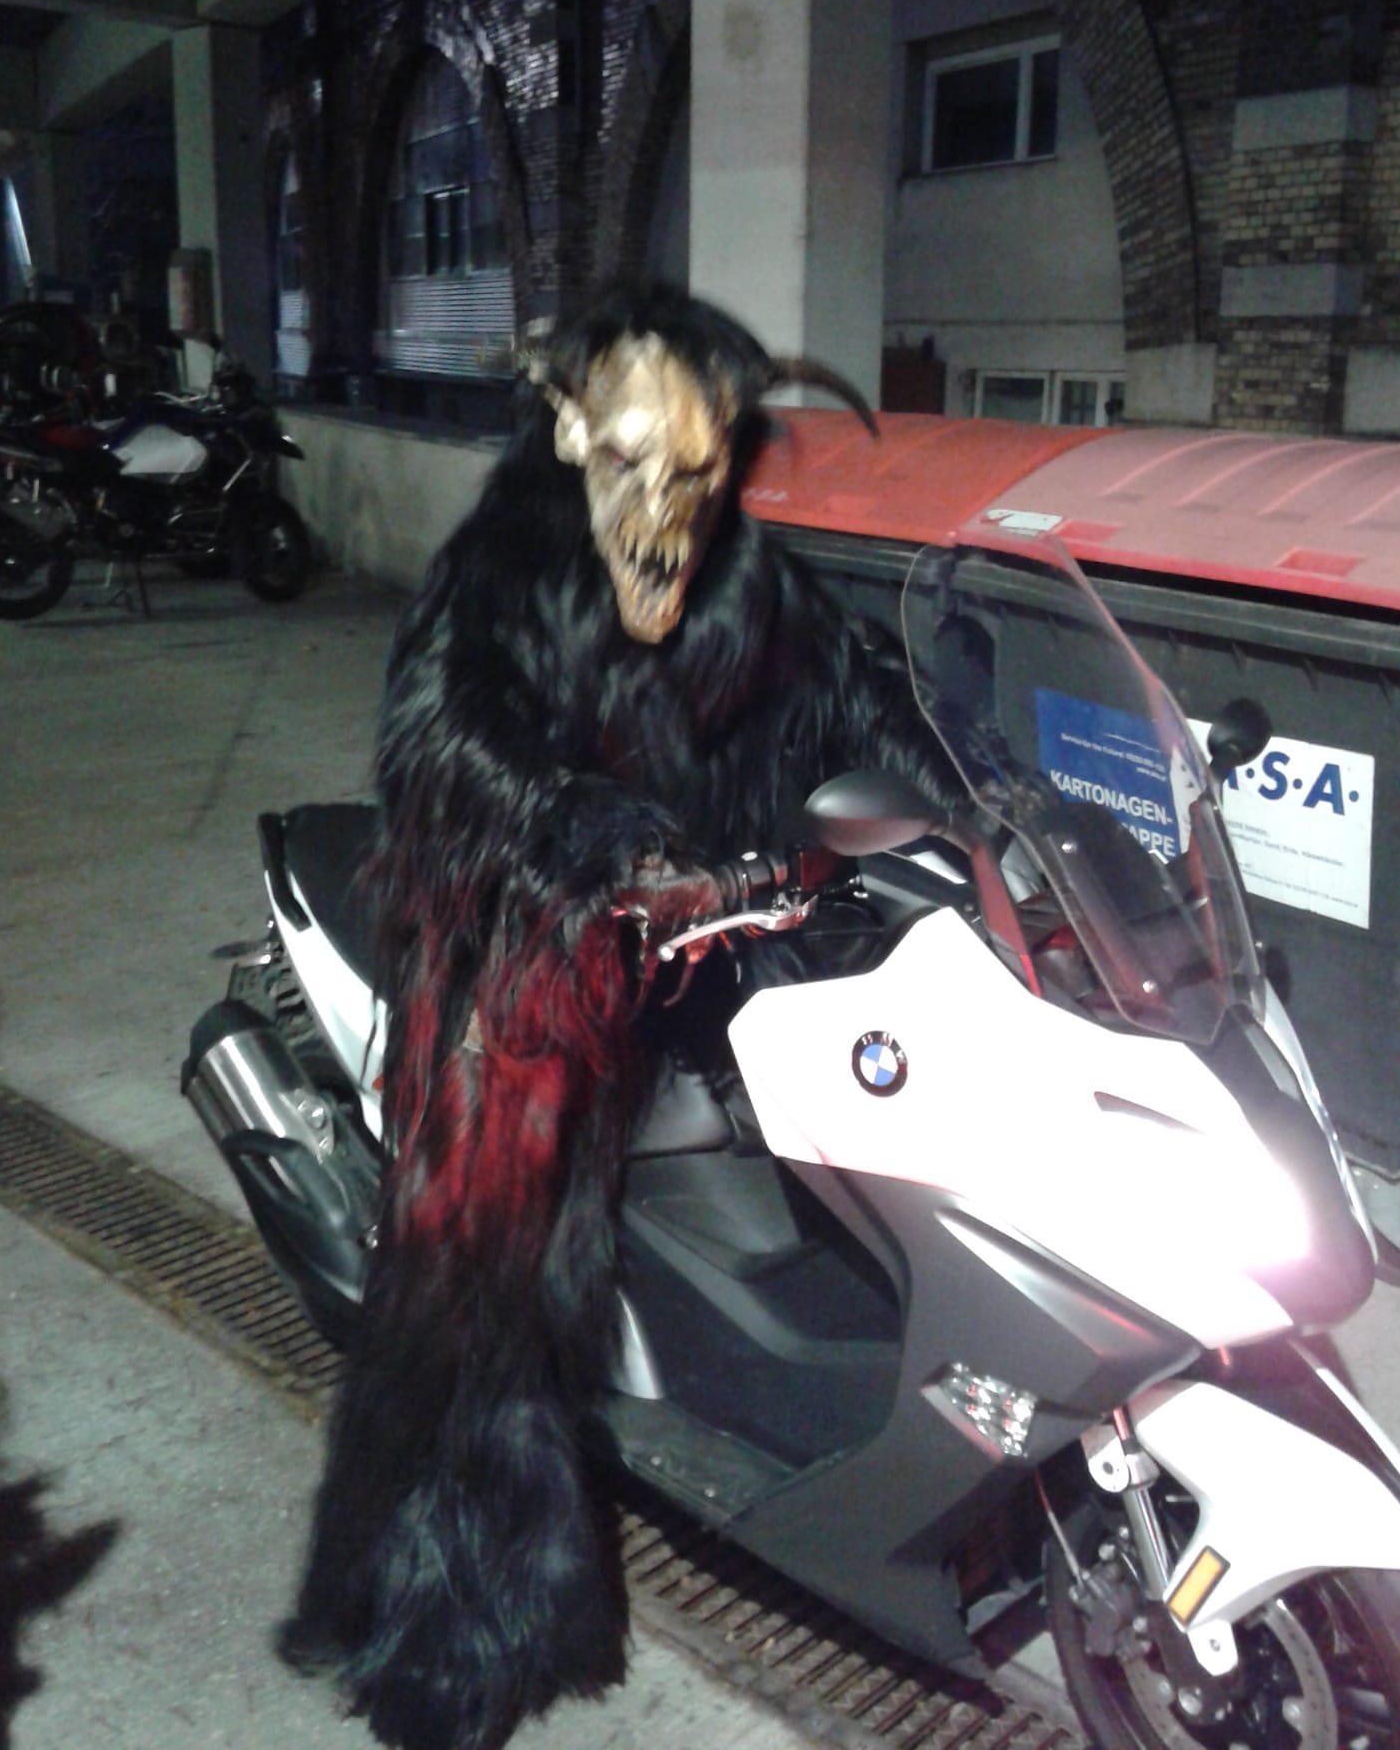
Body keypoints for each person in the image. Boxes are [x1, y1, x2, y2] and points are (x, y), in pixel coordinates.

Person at [281, 284, 946, 1750]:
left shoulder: (744, 575)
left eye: (696, 473)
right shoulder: (502, 568)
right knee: (487, 1274)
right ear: (571, 427)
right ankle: (442, 1630)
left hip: (680, 939)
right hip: (511, 953)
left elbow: (850, 697)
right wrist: (582, 827)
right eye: (632, 462)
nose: (661, 518)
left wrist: (978, 793)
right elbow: (442, 738)